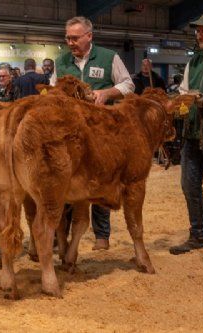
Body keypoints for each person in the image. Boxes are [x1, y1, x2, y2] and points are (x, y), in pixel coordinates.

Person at [51, 16, 135, 250]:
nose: (70, 42)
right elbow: (51, 90)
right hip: (69, 135)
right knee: (67, 183)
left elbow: (129, 85)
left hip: (101, 134)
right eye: (67, 38)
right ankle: (61, 237)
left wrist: (107, 94)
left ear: (89, 36)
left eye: (75, 38)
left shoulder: (109, 57)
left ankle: (102, 235)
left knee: (100, 183)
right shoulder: (61, 62)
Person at [169, 11, 203, 262]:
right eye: (198, 30)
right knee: (189, 186)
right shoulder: (195, 60)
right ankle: (197, 234)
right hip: (191, 133)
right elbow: (183, 90)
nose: (199, 34)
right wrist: (181, 104)